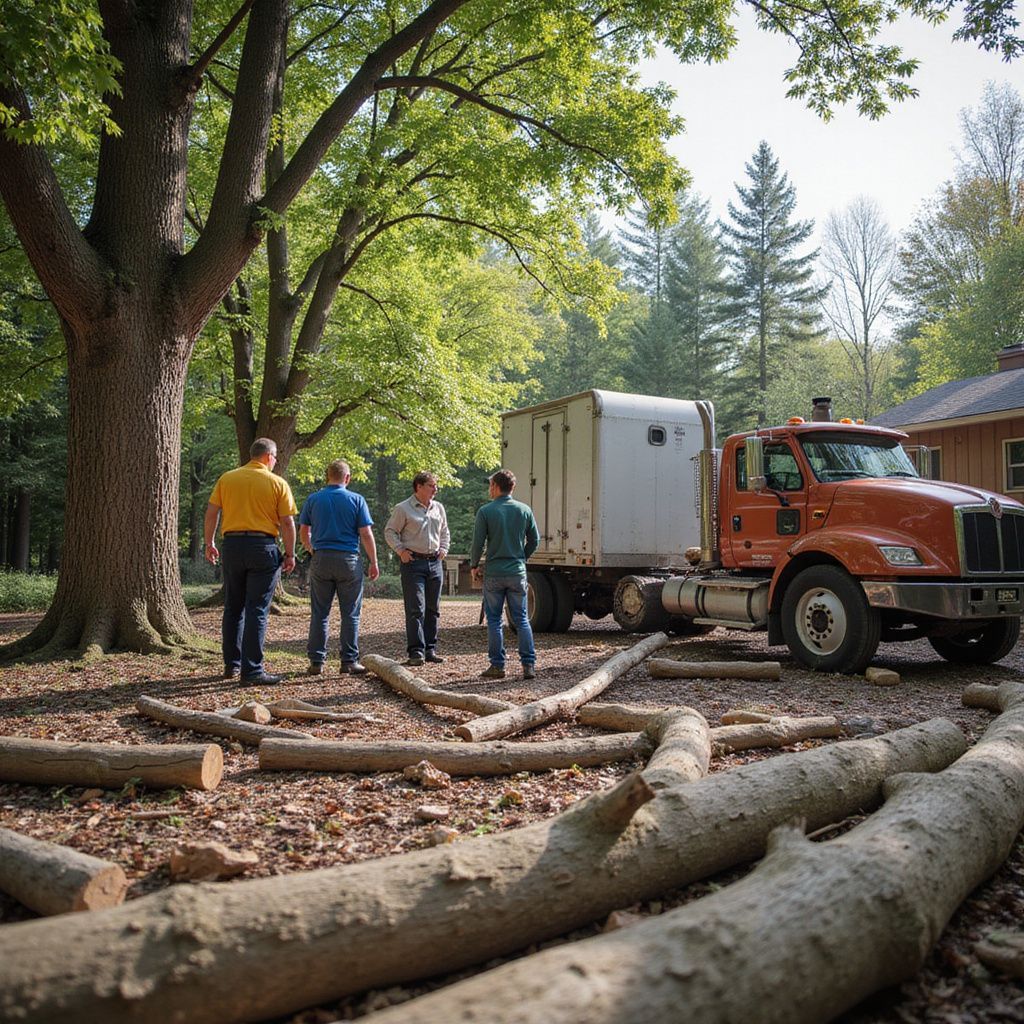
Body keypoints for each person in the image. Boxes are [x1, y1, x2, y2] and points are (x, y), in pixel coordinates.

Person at [205, 438, 297, 684]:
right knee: (256, 608)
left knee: (233, 607)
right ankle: (252, 670)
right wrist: (290, 553)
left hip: (232, 546)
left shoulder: (228, 478)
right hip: (262, 546)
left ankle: (231, 665)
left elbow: (212, 511)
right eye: (275, 457)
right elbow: (287, 522)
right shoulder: (277, 483)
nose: (275, 462)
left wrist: (209, 542)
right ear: (269, 456)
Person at [299, 459, 380, 675]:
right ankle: (348, 661)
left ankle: (316, 661)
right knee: (350, 613)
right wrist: (373, 561)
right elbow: (365, 533)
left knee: (319, 612)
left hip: (321, 558)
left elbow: (303, 529)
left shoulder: (314, 499)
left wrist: (311, 548)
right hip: (348, 560)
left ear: (328, 476)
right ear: (347, 478)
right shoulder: (356, 500)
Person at [470, 469, 540, 680]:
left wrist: (474, 565)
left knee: (494, 619)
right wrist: (521, 558)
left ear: (495, 486)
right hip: (517, 572)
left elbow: (477, 543)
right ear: (512, 488)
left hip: (494, 573)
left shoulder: (486, 511)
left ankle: (497, 666)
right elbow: (535, 540)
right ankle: (528, 665)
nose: (489, 489)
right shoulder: (524, 510)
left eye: (490, 485)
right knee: (522, 619)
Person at [385, 472, 450, 667]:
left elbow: (445, 531)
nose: (435, 489)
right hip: (413, 563)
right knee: (416, 609)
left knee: (433, 608)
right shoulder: (403, 508)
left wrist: (444, 548)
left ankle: (430, 649)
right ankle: (416, 651)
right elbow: (390, 531)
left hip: (435, 562)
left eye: (435, 485)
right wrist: (400, 551)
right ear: (419, 487)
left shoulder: (438, 508)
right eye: (431, 485)